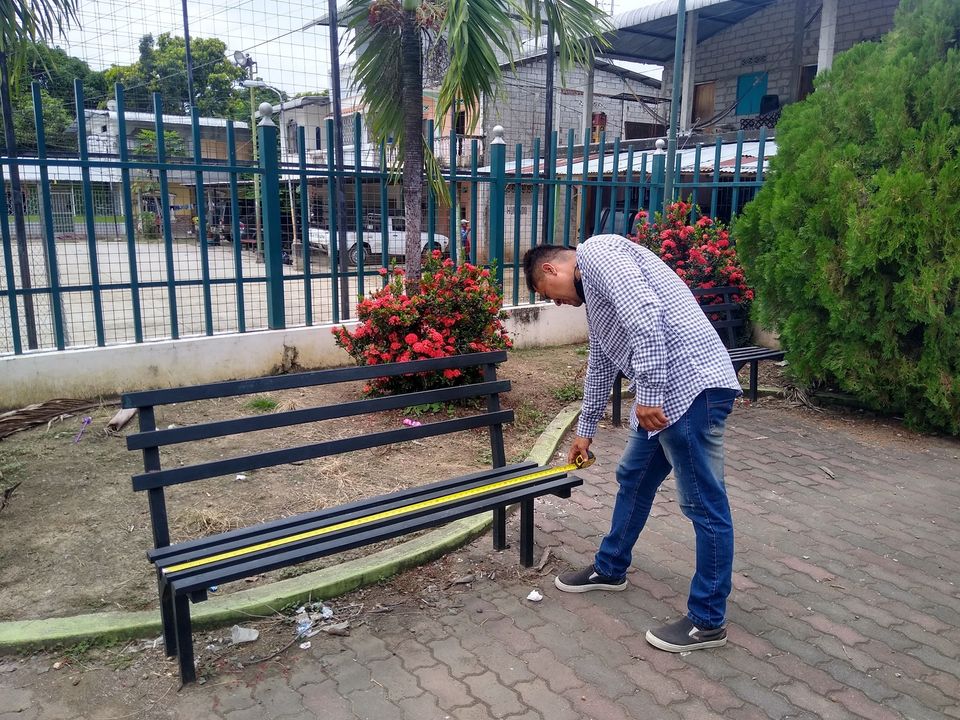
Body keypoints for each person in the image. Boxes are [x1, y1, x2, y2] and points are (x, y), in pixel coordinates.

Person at [522, 235, 742, 653]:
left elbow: (646, 314)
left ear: (551, 269)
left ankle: (708, 622)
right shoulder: (597, 298)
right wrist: (585, 429)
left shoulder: (598, 252)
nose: (555, 303)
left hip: (691, 392)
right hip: (664, 400)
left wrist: (650, 394)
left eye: (546, 293)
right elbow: (601, 362)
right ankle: (609, 568)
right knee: (633, 478)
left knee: (704, 505)